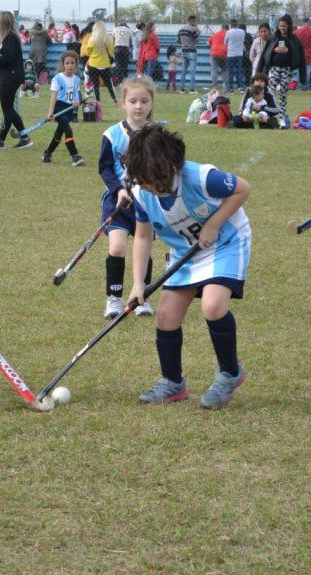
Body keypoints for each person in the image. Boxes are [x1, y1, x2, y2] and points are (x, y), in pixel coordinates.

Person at [125, 125, 252, 409]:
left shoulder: (201, 177)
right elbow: (143, 236)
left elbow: (242, 189)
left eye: (149, 180)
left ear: (168, 167)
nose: (145, 187)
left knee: (213, 306)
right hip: (186, 250)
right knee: (166, 316)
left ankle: (230, 373)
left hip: (226, 242)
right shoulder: (142, 193)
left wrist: (214, 223)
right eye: (141, 181)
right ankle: (173, 383)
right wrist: (138, 283)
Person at [98, 77, 157, 319]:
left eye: (144, 101)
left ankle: (142, 296)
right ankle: (114, 298)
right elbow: (105, 168)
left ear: (152, 103)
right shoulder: (112, 134)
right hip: (118, 201)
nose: (138, 106)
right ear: (123, 103)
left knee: (143, 249)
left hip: (147, 202)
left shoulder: (156, 134)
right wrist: (118, 189)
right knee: (118, 247)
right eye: (133, 101)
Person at [0, 12, 32, 150]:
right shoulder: (8, 37)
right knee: (9, 109)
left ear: (3, 23)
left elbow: (8, 59)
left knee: (7, 110)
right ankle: (25, 138)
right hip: (8, 76)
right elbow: (6, 58)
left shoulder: (10, 38)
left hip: (10, 77)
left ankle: (1, 140)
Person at [257, 15, 306, 123]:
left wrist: (288, 51)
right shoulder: (273, 38)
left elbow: (301, 57)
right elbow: (264, 55)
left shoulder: (294, 40)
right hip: (274, 69)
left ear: (289, 26)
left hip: (287, 70)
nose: (282, 28)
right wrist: (275, 50)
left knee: (283, 93)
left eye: (284, 26)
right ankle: (267, 112)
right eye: (280, 26)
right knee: (269, 90)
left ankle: (282, 117)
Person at [42, 50, 84, 166]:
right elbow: (54, 97)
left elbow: (76, 94)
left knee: (58, 135)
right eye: (67, 63)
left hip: (69, 109)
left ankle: (47, 153)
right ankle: (75, 157)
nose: (70, 65)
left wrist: (77, 101)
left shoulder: (76, 79)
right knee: (68, 131)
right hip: (59, 108)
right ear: (63, 64)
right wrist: (50, 112)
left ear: (76, 64)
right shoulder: (57, 78)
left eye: (72, 63)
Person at [84, 21, 116, 103]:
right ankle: (114, 99)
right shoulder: (108, 38)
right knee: (109, 84)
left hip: (93, 64)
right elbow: (111, 52)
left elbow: (87, 53)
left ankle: (98, 101)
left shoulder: (92, 39)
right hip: (105, 64)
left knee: (95, 84)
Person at [174, 15, 198, 93]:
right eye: (195, 21)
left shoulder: (181, 29)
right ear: (192, 21)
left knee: (183, 70)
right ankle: (192, 89)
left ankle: (182, 89)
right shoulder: (194, 29)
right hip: (192, 51)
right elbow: (196, 41)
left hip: (184, 51)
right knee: (192, 71)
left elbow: (177, 41)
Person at [224, 19, 245, 92]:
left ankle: (231, 88)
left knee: (231, 71)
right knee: (239, 70)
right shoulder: (242, 31)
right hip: (239, 53)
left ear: (230, 24)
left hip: (231, 54)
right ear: (237, 24)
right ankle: (241, 87)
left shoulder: (228, 32)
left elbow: (225, 42)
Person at [294, 17, 311, 88]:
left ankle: (300, 86)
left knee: (299, 72)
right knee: (309, 71)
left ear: (303, 22)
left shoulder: (296, 32)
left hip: (300, 55)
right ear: (309, 22)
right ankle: (308, 86)